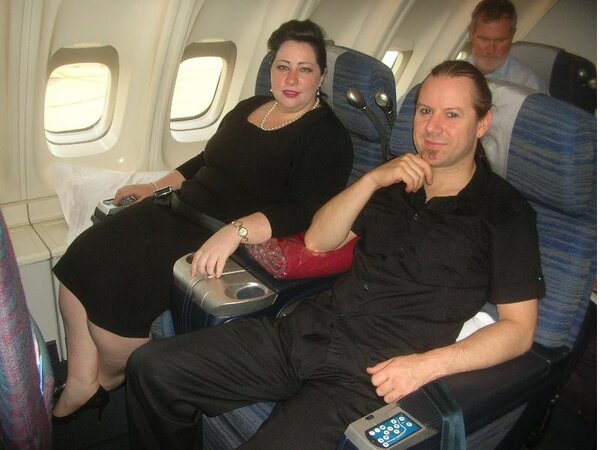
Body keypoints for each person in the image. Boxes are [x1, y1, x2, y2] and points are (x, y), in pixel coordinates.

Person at [125, 60, 545, 449]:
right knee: (151, 369)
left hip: (370, 376)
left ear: (482, 123)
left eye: (452, 115)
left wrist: (426, 367)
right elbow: (319, 241)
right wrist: (373, 180)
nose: (432, 127)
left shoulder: (504, 213)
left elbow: (519, 330)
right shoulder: (395, 184)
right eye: (424, 111)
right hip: (305, 333)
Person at [51, 19, 353, 423]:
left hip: (216, 234)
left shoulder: (328, 137)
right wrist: (154, 187)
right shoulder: (251, 107)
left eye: (305, 68)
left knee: (118, 300)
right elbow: (205, 161)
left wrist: (236, 230)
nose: (291, 78)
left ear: (322, 76)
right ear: (271, 69)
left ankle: (107, 380)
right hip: (176, 208)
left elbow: (305, 207)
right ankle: (80, 382)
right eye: (283, 66)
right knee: (82, 257)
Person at [468, 0, 548, 93]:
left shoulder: (529, 85)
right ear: (471, 33)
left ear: (512, 35)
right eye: (484, 39)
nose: (491, 50)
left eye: (500, 41)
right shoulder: (456, 72)